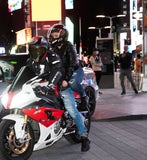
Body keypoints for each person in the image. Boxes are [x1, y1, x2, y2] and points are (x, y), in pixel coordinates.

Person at [47, 23, 90, 152]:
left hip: (74, 71)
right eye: (53, 33)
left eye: (56, 32)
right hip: (60, 76)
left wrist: (65, 79)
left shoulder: (68, 46)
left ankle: (84, 137)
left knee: (71, 109)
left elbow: (72, 64)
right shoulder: (51, 49)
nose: (54, 35)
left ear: (62, 34)